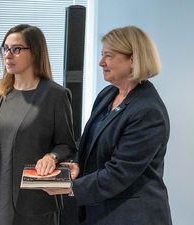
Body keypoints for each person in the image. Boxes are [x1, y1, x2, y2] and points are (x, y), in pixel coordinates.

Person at [45, 26, 173, 225]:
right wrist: (76, 165)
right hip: (99, 211)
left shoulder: (148, 111)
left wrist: (70, 187)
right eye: (101, 54)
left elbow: (119, 173)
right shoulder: (107, 95)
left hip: (132, 216)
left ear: (133, 59)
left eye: (108, 56)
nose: (101, 62)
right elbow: (91, 144)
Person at [0, 24, 77, 225]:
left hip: (33, 199)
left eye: (17, 49)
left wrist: (52, 156)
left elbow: (67, 145)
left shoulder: (56, 95)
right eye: (5, 48)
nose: (8, 55)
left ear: (35, 52)